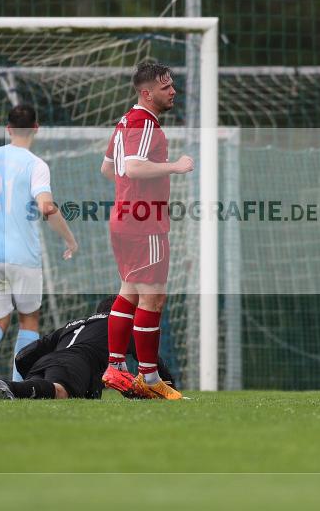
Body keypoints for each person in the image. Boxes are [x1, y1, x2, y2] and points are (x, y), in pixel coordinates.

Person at [0, 105, 77, 383]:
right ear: (36, 127)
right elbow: (47, 207)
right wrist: (70, 240)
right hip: (23, 256)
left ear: (8, 129)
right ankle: (17, 385)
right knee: (28, 320)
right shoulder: (35, 164)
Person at [98, 62, 194, 401]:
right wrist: (175, 167)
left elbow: (109, 168)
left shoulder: (126, 120)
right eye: (166, 87)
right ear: (146, 93)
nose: (173, 91)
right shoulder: (145, 124)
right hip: (144, 223)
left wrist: (132, 190)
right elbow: (134, 167)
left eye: (172, 85)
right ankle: (149, 377)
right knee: (153, 297)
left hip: (124, 219)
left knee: (130, 292)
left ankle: (114, 367)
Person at [0, 297, 175, 400]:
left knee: (47, 390)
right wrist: (169, 386)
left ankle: (14, 386)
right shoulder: (120, 327)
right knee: (60, 392)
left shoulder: (73, 325)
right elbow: (151, 360)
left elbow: (25, 354)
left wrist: (29, 372)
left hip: (49, 360)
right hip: (74, 363)